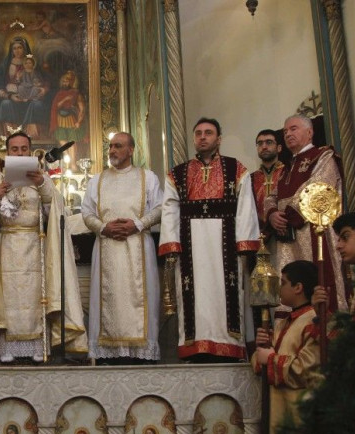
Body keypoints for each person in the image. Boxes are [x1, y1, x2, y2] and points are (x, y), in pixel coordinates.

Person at [0, 131, 86, 362]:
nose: (19, 153)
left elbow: (56, 214)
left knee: (37, 297)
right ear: (7, 153)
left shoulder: (41, 179)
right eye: (14, 149)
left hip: (35, 246)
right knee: (7, 298)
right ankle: (5, 347)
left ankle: (38, 346)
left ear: (30, 151)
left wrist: (44, 187)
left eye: (23, 149)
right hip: (6, 246)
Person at [159, 117, 260, 362]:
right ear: (194, 139)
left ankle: (228, 347)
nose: (203, 137)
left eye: (209, 133)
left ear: (218, 139)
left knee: (227, 295)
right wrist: (171, 244)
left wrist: (245, 243)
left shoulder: (236, 169)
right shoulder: (178, 174)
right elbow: (170, 208)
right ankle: (196, 348)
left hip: (226, 247)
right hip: (190, 246)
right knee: (193, 296)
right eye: (199, 133)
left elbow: (245, 205)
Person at [82, 132, 163, 361]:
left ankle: (140, 353)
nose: (112, 151)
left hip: (138, 245)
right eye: (110, 147)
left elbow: (159, 208)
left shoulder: (148, 178)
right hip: (106, 245)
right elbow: (87, 212)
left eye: (118, 146)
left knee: (139, 299)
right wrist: (103, 227)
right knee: (108, 298)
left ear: (131, 150)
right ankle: (108, 354)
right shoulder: (96, 181)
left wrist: (137, 224)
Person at [251, 260, 320, 434]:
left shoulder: (315, 321)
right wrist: (261, 349)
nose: (279, 289)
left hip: (300, 414)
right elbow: (262, 365)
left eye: (283, 283)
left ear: (299, 287)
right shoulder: (283, 323)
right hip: (279, 416)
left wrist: (270, 358)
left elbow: (306, 369)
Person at [264, 114, 347, 314]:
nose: (288, 134)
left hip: (311, 231)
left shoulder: (323, 156)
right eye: (285, 131)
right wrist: (272, 214)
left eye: (293, 129)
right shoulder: (285, 168)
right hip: (287, 235)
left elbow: (319, 186)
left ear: (309, 132)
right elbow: (271, 196)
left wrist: (287, 215)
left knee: (316, 281)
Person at [0, 37, 50, 137]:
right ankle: (11, 134)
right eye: (14, 48)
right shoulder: (5, 64)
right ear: (11, 50)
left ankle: (31, 134)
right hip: (11, 95)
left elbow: (44, 81)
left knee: (37, 104)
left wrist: (43, 89)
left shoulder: (33, 63)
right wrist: (9, 96)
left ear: (24, 49)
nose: (17, 50)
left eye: (20, 47)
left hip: (30, 95)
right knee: (5, 104)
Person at [251, 130, 286, 234]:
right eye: (260, 143)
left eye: (269, 142)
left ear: (279, 148)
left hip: (284, 229)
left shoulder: (288, 172)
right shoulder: (250, 178)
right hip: (259, 234)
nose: (264, 146)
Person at [49, 70, 85, 165]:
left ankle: (73, 164)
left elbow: (82, 109)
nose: (65, 83)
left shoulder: (76, 93)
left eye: (67, 81)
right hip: (60, 119)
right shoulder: (59, 93)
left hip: (71, 119)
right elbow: (56, 106)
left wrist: (79, 122)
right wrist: (65, 99)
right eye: (64, 81)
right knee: (62, 140)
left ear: (72, 82)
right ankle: (68, 161)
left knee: (71, 142)